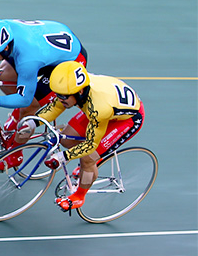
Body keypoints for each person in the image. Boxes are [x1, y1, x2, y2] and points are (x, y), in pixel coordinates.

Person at [0, 19, 88, 169]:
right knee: (4, 76)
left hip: (67, 64)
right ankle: (16, 114)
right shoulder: (2, 29)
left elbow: (25, 99)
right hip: (46, 47)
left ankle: (15, 154)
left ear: (6, 47)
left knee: (29, 108)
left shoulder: (28, 60)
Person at [23, 61, 144, 210]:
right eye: (57, 94)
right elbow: (55, 107)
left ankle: (79, 196)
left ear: (80, 92)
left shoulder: (98, 108)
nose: (60, 99)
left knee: (88, 157)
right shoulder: (72, 88)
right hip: (101, 106)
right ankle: (88, 167)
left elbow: (91, 144)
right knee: (67, 139)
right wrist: (33, 123)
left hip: (127, 120)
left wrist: (62, 157)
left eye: (63, 96)